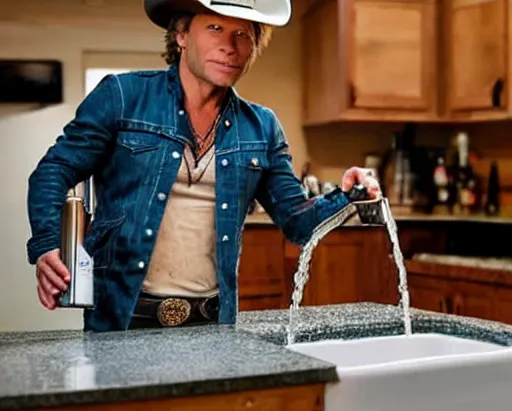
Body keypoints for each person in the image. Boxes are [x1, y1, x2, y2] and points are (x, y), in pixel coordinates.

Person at [26, 0, 381, 332]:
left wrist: (347, 195)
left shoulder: (262, 127)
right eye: (214, 28)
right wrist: (46, 246)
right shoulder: (122, 95)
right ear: (181, 34)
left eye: (243, 34)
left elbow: (298, 221)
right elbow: (53, 171)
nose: (230, 45)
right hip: (121, 318)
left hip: (212, 324)